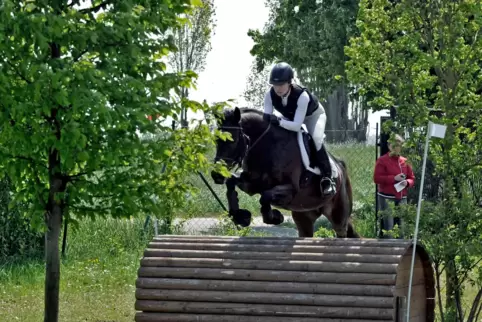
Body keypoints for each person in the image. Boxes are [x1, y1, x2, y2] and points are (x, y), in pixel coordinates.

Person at [262, 62, 335, 197]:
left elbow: (296, 126)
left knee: (316, 139)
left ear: (289, 83)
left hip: (313, 116)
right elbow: (267, 117)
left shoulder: (302, 96)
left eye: (281, 84)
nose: (277, 88)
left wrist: (278, 120)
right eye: (275, 85)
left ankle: (327, 177)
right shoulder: (270, 95)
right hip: (290, 117)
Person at [373, 134, 415, 238]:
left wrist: (408, 182)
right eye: (394, 145)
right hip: (387, 198)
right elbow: (377, 178)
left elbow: (412, 178)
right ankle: (388, 250)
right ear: (389, 146)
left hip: (402, 198)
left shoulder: (405, 161)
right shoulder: (382, 160)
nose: (397, 147)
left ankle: (401, 250)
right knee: (389, 227)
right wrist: (394, 178)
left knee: (402, 227)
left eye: (399, 145)